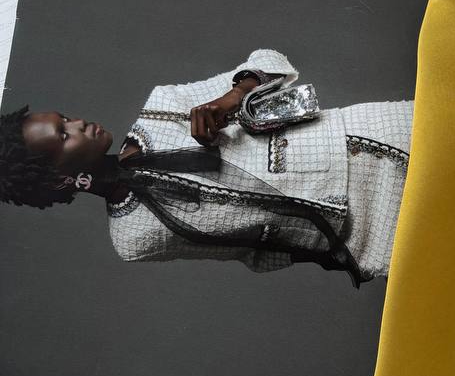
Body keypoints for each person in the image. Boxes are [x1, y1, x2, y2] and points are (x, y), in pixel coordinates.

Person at [0, 49, 414, 287]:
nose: (78, 124)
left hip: (368, 137)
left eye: (66, 117)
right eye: (64, 135)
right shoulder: (133, 237)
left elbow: (272, 61)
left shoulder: (161, 109)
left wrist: (230, 98)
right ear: (57, 177)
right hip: (363, 234)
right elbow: (249, 247)